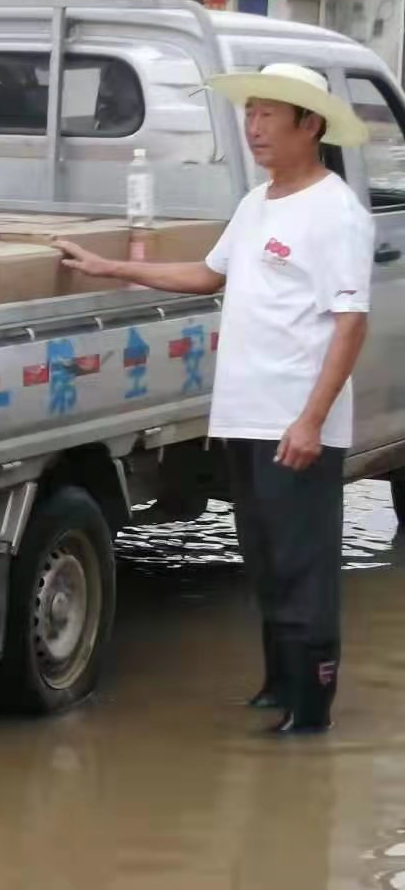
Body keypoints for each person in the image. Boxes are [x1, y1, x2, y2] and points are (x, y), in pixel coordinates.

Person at [58, 62, 373, 735]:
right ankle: (275, 684)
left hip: (296, 423)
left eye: (267, 115)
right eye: (250, 112)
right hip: (244, 416)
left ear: (309, 125)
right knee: (261, 555)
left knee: (302, 562)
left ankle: (311, 711)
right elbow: (207, 274)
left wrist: (311, 420)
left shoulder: (336, 211)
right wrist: (112, 267)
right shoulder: (256, 205)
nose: (253, 128)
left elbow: (351, 324)